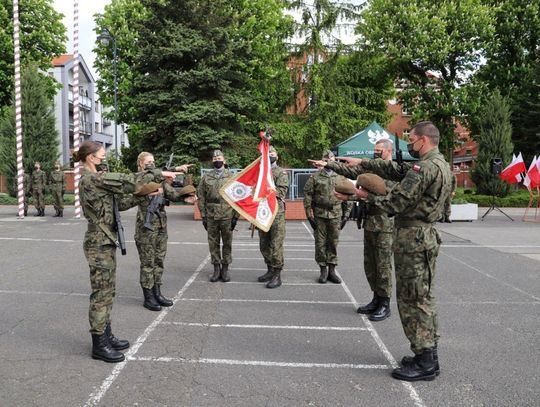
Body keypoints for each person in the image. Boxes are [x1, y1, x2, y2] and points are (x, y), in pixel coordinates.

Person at [320, 121, 452, 381]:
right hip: (422, 236)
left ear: (424, 140)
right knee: (421, 296)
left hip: (414, 238)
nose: (410, 145)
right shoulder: (441, 165)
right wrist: (362, 164)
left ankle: (426, 360)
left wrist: (360, 197)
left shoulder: (424, 168)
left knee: (413, 299)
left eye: (412, 140)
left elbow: (395, 202)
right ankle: (427, 355)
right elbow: (396, 169)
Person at [74, 140, 171, 363]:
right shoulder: (91, 178)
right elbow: (128, 181)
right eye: (101, 156)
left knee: (108, 291)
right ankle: (99, 344)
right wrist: (156, 173)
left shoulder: (96, 179)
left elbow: (119, 204)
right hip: (98, 242)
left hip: (105, 240)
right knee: (101, 294)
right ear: (90, 157)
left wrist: (143, 195)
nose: (103, 159)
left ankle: (107, 336)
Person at [320, 139, 395, 321]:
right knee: (370, 264)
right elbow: (350, 171)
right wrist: (329, 164)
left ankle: (385, 303)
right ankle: (376, 299)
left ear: (388, 150)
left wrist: (363, 196)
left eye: (379, 150)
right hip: (370, 222)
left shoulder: (394, 171)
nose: (376, 153)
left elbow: (391, 199)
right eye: (374, 150)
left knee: (383, 265)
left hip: (385, 224)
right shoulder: (372, 168)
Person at [134, 152, 196, 311]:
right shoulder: (138, 179)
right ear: (141, 163)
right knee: (148, 263)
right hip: (146, 227)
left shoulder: (159, 181)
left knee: (159, 260)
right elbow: (143, 180)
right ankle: (148, 297)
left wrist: (185, 196)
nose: (152, 164)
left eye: (153, 162)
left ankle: (157, 292)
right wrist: (171, 169)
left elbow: (172, 195)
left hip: (161, 225)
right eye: (148, 162)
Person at [303, 149, 351, 284]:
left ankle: (332, 270)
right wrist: (309, 215)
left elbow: (348, 197)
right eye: (326, 160)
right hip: (320, 214)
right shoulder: (315, 177)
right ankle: (323, 270)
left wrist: (346, 216)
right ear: (322, 162)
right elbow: (307, 195)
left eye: (331, 160)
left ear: (334, 161)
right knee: (320, 243)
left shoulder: (341, 176)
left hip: (336, 214)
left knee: (333, 243)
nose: (328, 162)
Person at [197, 150, 239, 282]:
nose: (217, 160)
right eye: (215, 159)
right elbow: (201, 197)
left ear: (224, 160)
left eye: (219, 158)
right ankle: (216, 269)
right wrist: (203, 216)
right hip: (211, 215)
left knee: (227, 243)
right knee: (213, 243)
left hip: (227, 214)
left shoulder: (231, 177)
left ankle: (225, 269)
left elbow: (237, 198)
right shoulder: (206, 177)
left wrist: (235, 217)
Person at [257, 146, 289, 288]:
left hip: (276, 213)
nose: (270, 155)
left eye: (272, 153)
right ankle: (270, 270)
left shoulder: (280, 172)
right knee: (264, 244)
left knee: (276, 245)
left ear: (277, 156)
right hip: (262, 212)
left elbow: (281, 191)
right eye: (268, 153)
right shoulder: (259, 172)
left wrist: (264, 189)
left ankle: (277, 275)